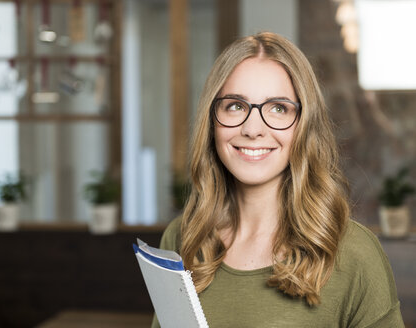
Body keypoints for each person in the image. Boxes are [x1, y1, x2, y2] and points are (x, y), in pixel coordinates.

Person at [151, 32, 404, 327]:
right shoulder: (183, 237)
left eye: (279, 108)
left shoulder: (354, 253)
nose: (253, 128)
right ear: (212, 119)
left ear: (304, 125)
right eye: (235, 106)